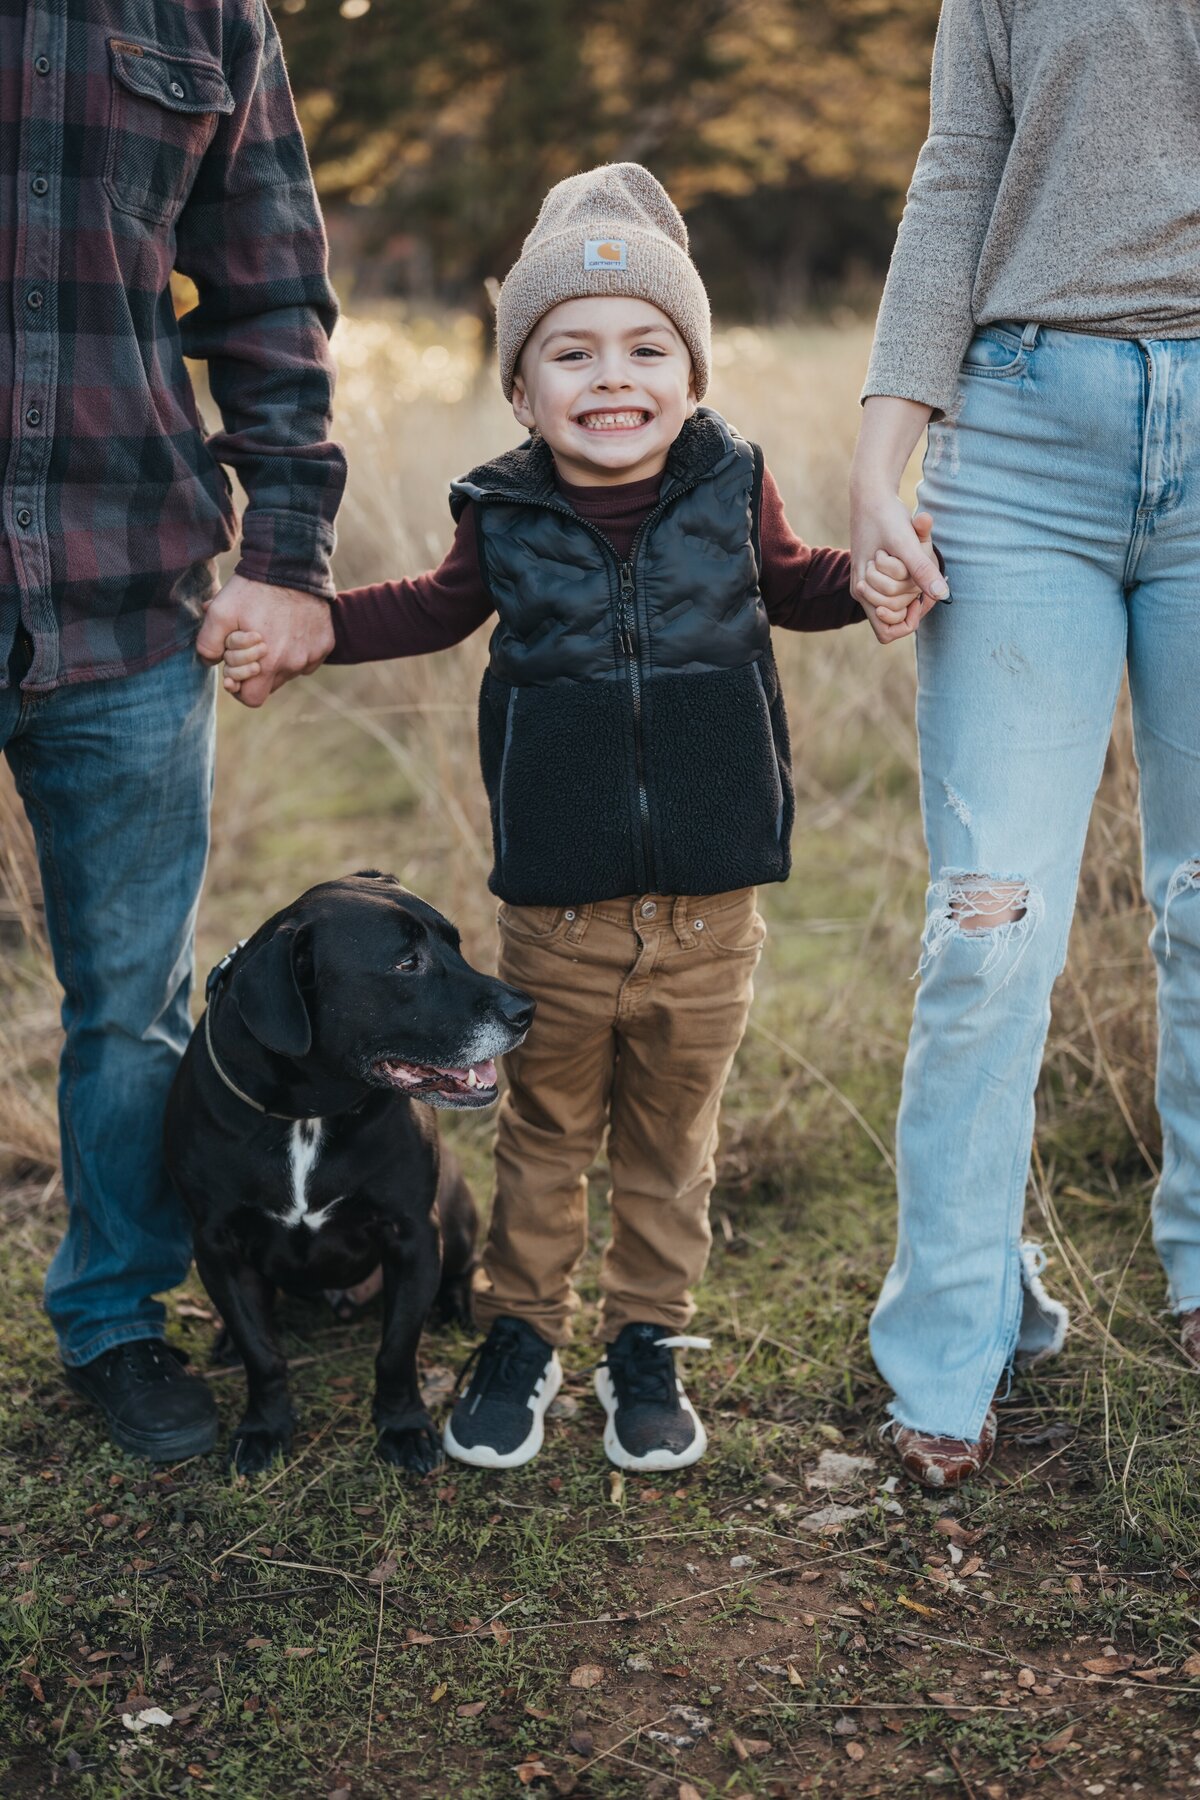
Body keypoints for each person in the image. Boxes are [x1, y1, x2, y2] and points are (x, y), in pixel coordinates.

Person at [223, 161, 928, 1472]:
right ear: (521, 388)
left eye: (648, 348)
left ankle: (645, 1336)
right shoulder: (504, 509)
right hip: (554, 914)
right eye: (572, 353)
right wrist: (319, 623)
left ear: (695, 372)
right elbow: (430, 607)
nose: (614, 379)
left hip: (714, 909)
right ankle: (521, 1331)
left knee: (671, 1141)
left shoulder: (731, 484)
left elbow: (796, 582)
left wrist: (878, 575)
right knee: (543, 1134)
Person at [849, 0, 1200, 1487]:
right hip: (1018, 444)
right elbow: (955, 176)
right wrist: (881, 466)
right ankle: (949, 1345)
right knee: (988, 925)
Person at [1, 0, 345, 1461]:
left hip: (126, 591)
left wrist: (288, 547)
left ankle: (116, 1326)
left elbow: (270, 293)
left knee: (133, 1007)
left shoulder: (212, 12)